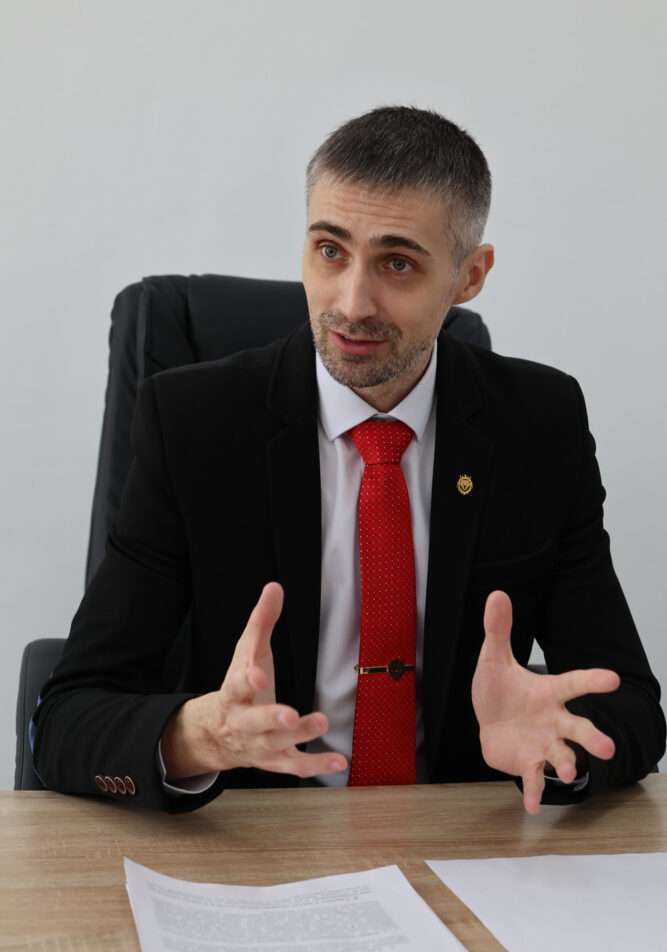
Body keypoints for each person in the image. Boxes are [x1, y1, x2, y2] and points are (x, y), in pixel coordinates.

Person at [31, 105, 665, 814]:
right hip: (254, 843)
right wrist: (193, 738)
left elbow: (632, 709)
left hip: (460, 841)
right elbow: (64, 720)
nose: (352, 303)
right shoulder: (193, 426)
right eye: (330, 251)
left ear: (470, 275)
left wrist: (557, 753)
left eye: (398, 263)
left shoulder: (538, 426)